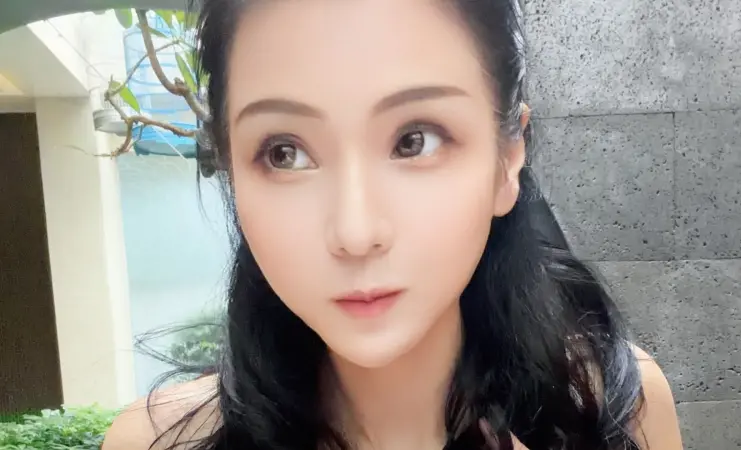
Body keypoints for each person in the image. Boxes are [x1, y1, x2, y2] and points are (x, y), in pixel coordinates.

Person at [103, 0, 683, 448]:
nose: (355, 233)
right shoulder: (154, 442)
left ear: (508, 159)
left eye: (414, 141)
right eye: (285, 153)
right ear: (232, 171)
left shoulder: (614, 408)